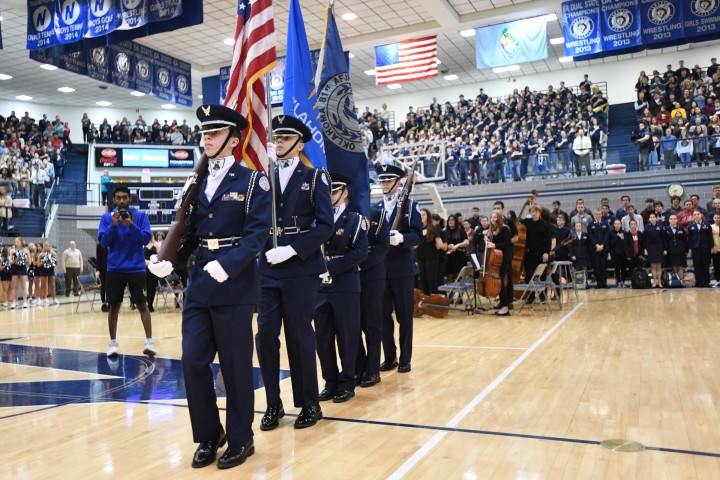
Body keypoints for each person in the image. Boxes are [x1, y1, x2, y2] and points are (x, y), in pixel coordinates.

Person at [149, 104, 271, 469]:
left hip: (233, 286)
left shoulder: (253, 182)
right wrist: (168, 260)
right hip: (201, 284)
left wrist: (229, 265)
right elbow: (189, 233)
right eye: (205, 131)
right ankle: (209, 434)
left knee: (235, 367)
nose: (207, 137)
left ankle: (241, 438)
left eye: (216, 133)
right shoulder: (196, 182)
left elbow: (257, 236)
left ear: (234, 141)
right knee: (193, 362)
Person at [256, 115, 333, 431]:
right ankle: (273, 403)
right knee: (265, 337)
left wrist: (293, 248)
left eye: (286, 138)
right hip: (268, 266)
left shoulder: (314, 178)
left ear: (300, 143)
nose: (280, 142)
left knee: (299, 336)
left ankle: (310, 403)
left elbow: (326, 225)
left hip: (300, 268)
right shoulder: (264, 178)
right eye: (277, 138)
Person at [314, 173, 368, 404]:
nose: (330, 196)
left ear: (344, 192)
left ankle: (347, 382)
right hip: (319, 285)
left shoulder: (355, 220)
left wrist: (330, 268)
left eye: (334, 191)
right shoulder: (318, 219)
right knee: (323, 337)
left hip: (345, 283)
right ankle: (330, 381)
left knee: (347, 336)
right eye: (327, 191)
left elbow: (359, 252)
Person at [375, 164, 422, 373]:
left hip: (401, 269)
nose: (384, 184)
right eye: (382, 181)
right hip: (380, 270)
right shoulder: (376, 208)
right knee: (383, 316)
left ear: (398, 182)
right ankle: (390, 356)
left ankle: (405, 358)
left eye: (388, 180)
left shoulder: (411, 206)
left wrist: (402, 238)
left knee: (404, 316)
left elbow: (418, 235)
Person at [98, 185, 154, 357]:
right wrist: (113, 226)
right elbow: (103, 243)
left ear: (129, 199)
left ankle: (149, 341)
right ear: (114, 200)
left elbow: (145, 239)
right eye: (118, 198)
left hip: (136, 267)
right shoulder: (107, 218)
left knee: (142, 305)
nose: (121, 200)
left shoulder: (141, 216)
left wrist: (131, 225)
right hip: (115, 268)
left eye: (124, 197)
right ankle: (113, 343)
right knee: (113, 306)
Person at [356, 203, 390, 389]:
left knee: (372, 323)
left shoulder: (378, 213)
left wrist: (360, 264)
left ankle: (373, 369)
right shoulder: (348, 214)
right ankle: (358, 368)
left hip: (372, 275)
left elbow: (383, 245)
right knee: (353, 325)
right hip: (349, 275)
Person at [520, 205, 552, 301]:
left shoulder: (545, 225)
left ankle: (542, 296)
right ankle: (530, 297)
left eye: (536, 211)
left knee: (541, 276)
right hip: (529, 254)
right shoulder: (526, 223)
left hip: (541, 254)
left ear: (539, 213)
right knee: (529, 276)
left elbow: (548, 241)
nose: (534, 213)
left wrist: (546, 252)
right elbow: (516, 222)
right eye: (532, 211)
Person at [485, 211, 513, 316]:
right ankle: (503, 305)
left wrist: (494, 245)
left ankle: (505, 308)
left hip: (504, 259)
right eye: (491, 217)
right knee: (499, 282)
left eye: (495, 217)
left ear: (499, 218)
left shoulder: (505, 228)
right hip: (497, 260)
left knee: (501, 282)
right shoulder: (493, 230)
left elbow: (507, 244)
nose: (492, 219)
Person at [417, 208, 445, 295]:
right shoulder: (417, 228)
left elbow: (440, 244)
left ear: (428, 216)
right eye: (420, 214)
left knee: (431, 280)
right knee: (423, 280)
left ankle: (434, 300)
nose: (421, 216)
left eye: (424, 214)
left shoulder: (432, 227)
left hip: (431, 257)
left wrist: (437, 245)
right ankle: (426, 300)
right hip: (420, 257)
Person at [687, 210, 713, 287]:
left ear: (701, 215)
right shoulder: (690, 225)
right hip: (695, 248)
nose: (696, 215)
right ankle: (699, 282)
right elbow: (690, 238)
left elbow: (710, 237)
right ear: (693, 216)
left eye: (698, 214)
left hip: (705, 247)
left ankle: (706, 281)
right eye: (694, 214)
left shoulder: (707, 224)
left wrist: (711, 247)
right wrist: (690, 248)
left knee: (705, 264)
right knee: (697, 265)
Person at [588, 208, 610, 288]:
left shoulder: (605, 223)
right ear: (594, 215)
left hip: (604, 248)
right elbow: (590, 236)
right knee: (596, 266)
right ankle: (598, 283)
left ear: (601, 214)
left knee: (603, 266)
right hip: (594, 249)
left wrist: (602, 245)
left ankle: (604, 283)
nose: (598, 215)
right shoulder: (590, 224)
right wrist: (596, 245)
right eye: (596, 214)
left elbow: (607, 235)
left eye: (599, 214)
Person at [643, 213, 666, 287]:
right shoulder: (646, 228)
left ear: (656, 218)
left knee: (659, 266)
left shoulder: (660, 227)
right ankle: (654, 282)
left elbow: (664, 239)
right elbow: (644, 240)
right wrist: (645, 249)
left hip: (659, 247)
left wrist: (665, 249)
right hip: (650, 248)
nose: (652, 218)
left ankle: (659, 282)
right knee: (653, 266)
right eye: (651, 217)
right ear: (649, 219)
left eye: (653, 217)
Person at [664, 214, 688, 281]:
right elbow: (665, 240)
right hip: (671, 250)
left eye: (674, 219)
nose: (673, 220)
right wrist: (665, 249)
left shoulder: (681, 228)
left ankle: (681, 281)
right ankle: (675, 281)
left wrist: (686, 250)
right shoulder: (666, 229)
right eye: (671, 219)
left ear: (677, 220)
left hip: (680, 250)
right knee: (674, 266)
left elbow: (685, 240)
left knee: (680, 266)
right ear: (669, 220)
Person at [37, 241, 60, 306]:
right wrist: (43, 261)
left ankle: (54, 299)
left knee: (52, 285)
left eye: (48, 246)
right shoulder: (41, 254)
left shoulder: (53, 253)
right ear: (44, 247)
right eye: (46, 246)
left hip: (51, 270)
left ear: (50, 246)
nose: (47, 247)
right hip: (43, 270)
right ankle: (41, 299)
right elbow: (38, 265)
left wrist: (55, 260)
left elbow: (57, 263)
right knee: (42, 286)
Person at [9, 237, 30, 309]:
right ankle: (14, 302)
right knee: (15, 287)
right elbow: (10, 262)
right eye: (15, 242)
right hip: (14, 268)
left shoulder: (26, 251)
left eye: (17, 241)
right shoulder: (12, 251)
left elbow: (29, 262)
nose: (16, 243)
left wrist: (24, 259)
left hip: (23, 268)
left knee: (24, 286)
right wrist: (16, 260)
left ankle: (25, 302)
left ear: (21, 242)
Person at [144, 233, 161, 312]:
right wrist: (145, 261)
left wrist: (152, 261)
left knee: (152, 287)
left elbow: (160, 256)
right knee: (145, 286)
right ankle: (145, 302)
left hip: (153, 268)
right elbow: (139, 256)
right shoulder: (143, 244)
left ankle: (150, 304)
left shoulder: (156, 244)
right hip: (145, 268)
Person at [609, 219, 629, 287]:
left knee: (623, 268)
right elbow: (610, 243)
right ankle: (618, 281)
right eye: (616, 224)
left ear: (621, 225)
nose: (617, 225)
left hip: (623, 253)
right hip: (615, 254)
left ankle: (623, 281)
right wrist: (617, 236)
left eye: (618, 224)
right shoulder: (611, 233)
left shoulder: (625, 233)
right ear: (614, 225)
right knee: (617, 268)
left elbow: (626, 244)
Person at [711, 213, 720, 285]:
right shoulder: (711, 227)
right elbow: (710, 239)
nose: (717, 219)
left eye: (718, 218)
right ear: (713, 219)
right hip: (715, 249)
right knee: (716, 265)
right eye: (715, 218)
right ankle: (717, 280)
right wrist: (712, 247)